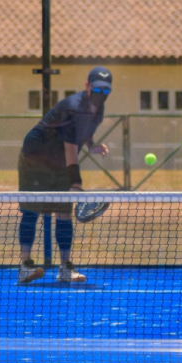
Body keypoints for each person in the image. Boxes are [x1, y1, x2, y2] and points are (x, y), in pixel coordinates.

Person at [16, 67, 112, 283]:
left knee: (64, 213)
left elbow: (85, 131)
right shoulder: (73, 108)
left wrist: (92, 145)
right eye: (97, 89)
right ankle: (24, 267)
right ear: (87, 86)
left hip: (59, 161)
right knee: (32, 210)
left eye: (105, 91)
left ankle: (66, 269)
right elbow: (71, 149)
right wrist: (76, 182)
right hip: (35, 157)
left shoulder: (99, 108)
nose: (100, 95)